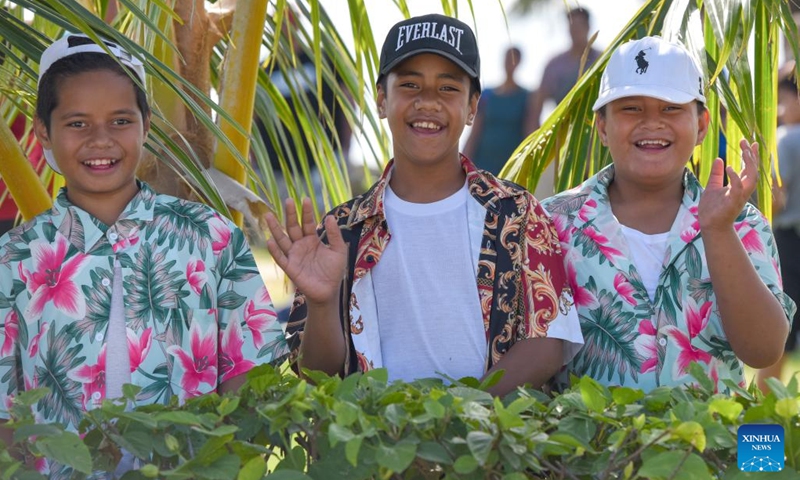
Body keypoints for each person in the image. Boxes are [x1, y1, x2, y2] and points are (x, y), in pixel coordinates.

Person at [0, 33, 288, 476]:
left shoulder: (210, 238)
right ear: (44, 132)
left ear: (146, 126)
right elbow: (5, 416)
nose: (101, 140)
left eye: (120, 121)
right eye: (77, 123)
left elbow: (250, 377)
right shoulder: (13, 258)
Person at [265, 13, 583, 397]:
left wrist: (456, 419)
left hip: (490, 449)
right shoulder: (343, 229)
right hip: (373, 449)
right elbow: (317, 372)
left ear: (471, 107)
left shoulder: (516, 214)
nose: (427, 102)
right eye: (410, 85)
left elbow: (547, 344)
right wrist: (321, 303)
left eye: (448, 88)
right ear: (383, 100)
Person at [541, 36, 795, 392]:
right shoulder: (551, 223)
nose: (652, 123)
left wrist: (719, 231)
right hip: (592, 447)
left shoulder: (743, 224)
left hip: (710, 446)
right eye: (631, 108)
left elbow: (764, 350)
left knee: (764, 450)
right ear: (601, 127)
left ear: (702, 125)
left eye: (671, 108)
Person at [756, 69, 800, 392]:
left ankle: (763, 431)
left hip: (787, 243)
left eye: (783, 102)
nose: (780, 111)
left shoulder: (785, 140)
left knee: (777, 337)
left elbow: (775, 201)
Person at [524, 7, 601, 133]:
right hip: (564, 134)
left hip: (597, 134)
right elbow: (536, 106)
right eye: (572, 27)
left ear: (588, 27)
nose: (575, 31)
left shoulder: (601, 61)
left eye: (578, 26)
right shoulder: (555, 65)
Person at [463, 46, 532, 176]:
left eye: (513, 59)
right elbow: (475, 132)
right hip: (483, 163)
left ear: (519, 62)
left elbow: (530, 130)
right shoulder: (487, 94)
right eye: (507, 59)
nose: (509, 63)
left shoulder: (526, 97)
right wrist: (462, 161)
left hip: (511, 165)